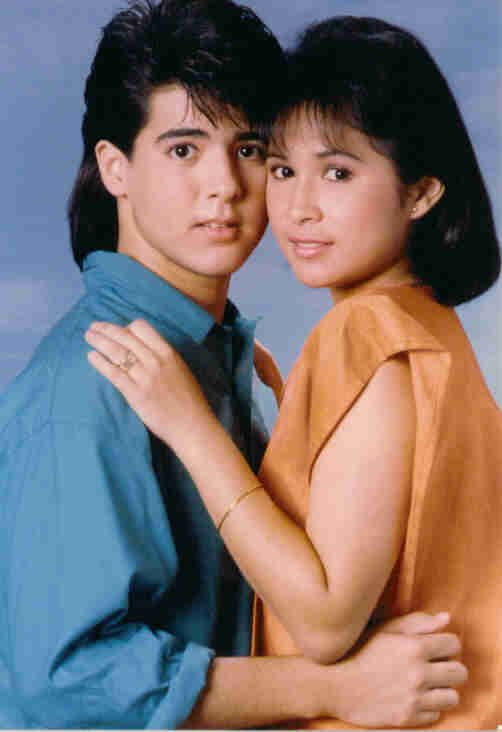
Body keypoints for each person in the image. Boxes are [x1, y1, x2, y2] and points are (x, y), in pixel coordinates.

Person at [0, 2, 467, 728]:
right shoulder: (88, 382)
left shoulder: (239, 367)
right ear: (114, 168)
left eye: (249, 150)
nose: (225, 185)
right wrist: (330, 689)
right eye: (183, 150)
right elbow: (65, 683)